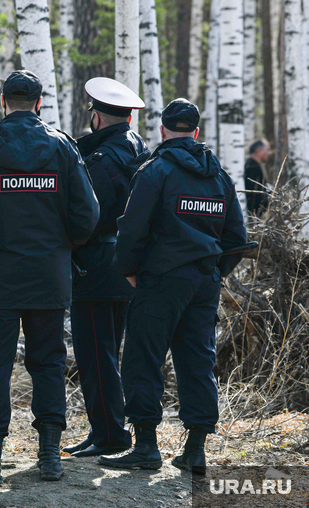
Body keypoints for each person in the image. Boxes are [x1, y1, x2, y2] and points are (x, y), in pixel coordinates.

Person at [0, 70, 100, 484]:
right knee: (49, 362)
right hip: (49, 275)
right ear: (39, 103)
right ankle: (50, 456)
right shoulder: (62, 148)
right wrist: (61, 247)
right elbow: (86, 216)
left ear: (3, 102)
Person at [99, 99, 248, 475]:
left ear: (163, 130)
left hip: (162, 279)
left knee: (143, 358)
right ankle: (195, 451)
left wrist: (129, 270)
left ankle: (146, 447)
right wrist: (214, 272)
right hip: (204, 281)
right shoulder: (219, 175)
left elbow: (131, 229)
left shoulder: (156, 170)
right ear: (196, 132)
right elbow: (237, 238)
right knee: (198, 361)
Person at [65, 78, 150, 458]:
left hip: (98, 265)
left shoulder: (103, 158)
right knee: (114, 352)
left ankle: (110, 434)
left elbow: (90, 216)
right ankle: (109, 429)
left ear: (97, 117)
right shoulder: (140, 149)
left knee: (95, 354)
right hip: (132, 264)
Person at [244, 139, 271, 217]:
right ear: (259, 151)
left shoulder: (252, 165)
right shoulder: (252, 168)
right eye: (267, 150)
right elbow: (256, 196)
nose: (269, 153)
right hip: (253, 216)